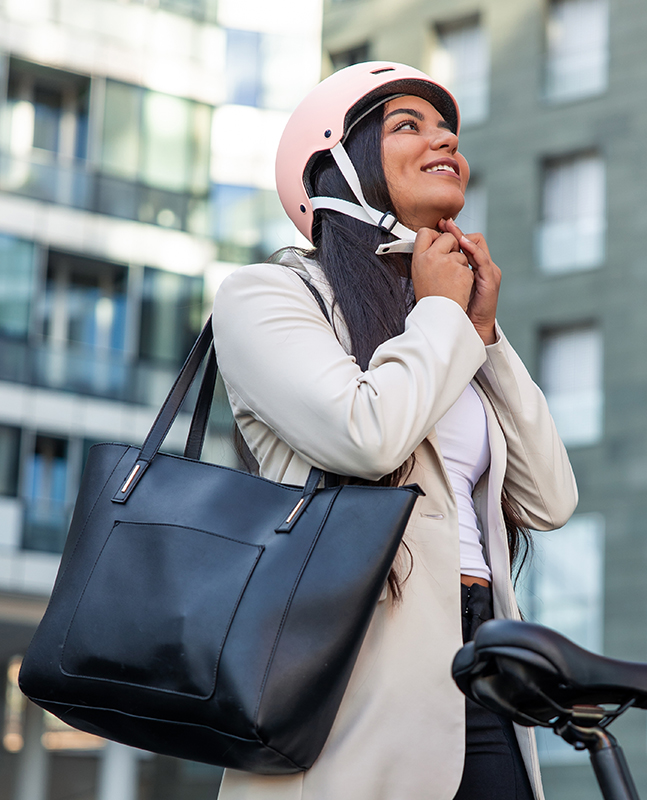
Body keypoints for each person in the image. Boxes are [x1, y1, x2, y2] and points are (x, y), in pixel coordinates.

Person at [212, 62, 578, 800]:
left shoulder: (444, 331)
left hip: (485, 667)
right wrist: (444, 317)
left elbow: (551, 499)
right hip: (350, 683)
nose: (444, 140)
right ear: (338, 168)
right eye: (408, 125)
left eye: (447, 128)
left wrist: (486, 335)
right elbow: (367, 435)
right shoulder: (267, 295)